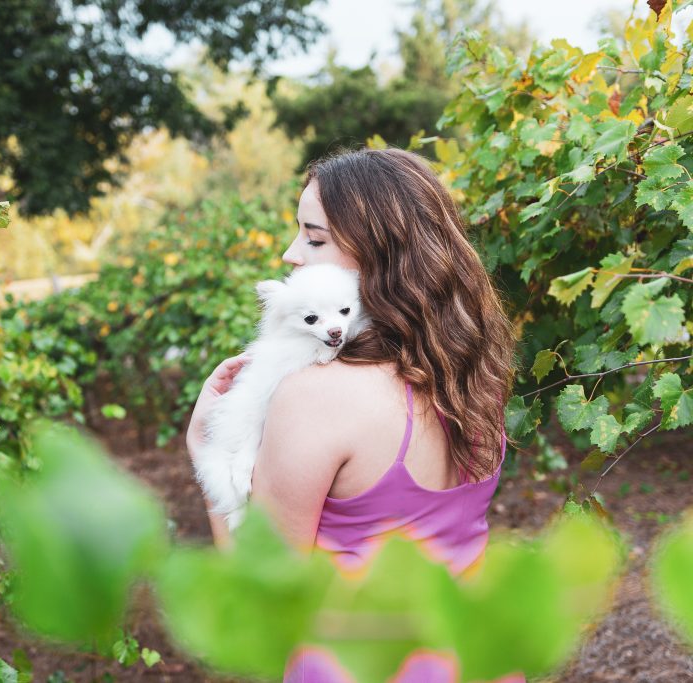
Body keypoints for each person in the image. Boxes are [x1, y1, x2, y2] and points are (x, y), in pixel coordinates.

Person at [185, 147, 524, 682]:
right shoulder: (467, 371)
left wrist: (209, 452)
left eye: (314, 238)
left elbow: (265, 601)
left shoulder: (317, 396)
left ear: (379, 254)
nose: (291, 254)